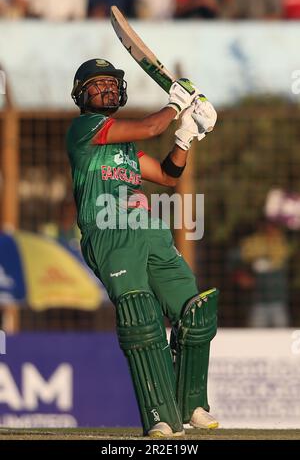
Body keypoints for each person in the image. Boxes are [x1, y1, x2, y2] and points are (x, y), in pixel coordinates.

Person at [66, 58, 218, 437]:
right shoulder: (84, 129)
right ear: (81, 95)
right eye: (97, 85)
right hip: (108, 229)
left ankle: (191, 404)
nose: (106, 90)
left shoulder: (125, 147)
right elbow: (152, 125)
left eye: (111, 84)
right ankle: (160, 417)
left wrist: (185, 135)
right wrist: (176, 104)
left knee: (193, 309)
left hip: (148, 227)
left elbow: (167, 176)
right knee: (140, 315)